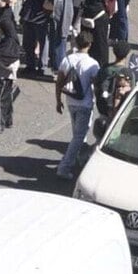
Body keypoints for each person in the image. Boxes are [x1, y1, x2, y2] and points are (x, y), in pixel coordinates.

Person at [54, 31, 100, 180]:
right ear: (90, 45)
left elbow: (59, 81)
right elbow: (96, 85)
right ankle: (64, 166)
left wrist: (58, 100)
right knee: (79, 136)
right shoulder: (93, 64)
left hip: (70, 101)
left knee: (77, 134)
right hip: (85, 104)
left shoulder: (67, 60)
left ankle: (77, 160)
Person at [0, 12, 20, 137]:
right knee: (7, 99)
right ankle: (7, 121)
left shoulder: (6, 43)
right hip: (10, 78)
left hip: (2, 77)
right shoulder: (14, 40)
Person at [78, 0, 112, 69]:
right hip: (87, 16)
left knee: (100, 43)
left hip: (99, 17)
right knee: (86, 40)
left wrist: (109, 12)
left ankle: (102, 67)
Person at [94, 41, 136, 117]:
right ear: (127, 54)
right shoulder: (128, 74)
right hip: (120, 112)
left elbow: (96, 87)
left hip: (104, 109)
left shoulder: (104, 69)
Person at [48, 0, 73, 74]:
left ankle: (60, 67)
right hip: (53, 23)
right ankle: (54, 65)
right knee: (53, 44)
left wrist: (64, 28)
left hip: (61, 24)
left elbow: (67, 12)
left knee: (60, 47)